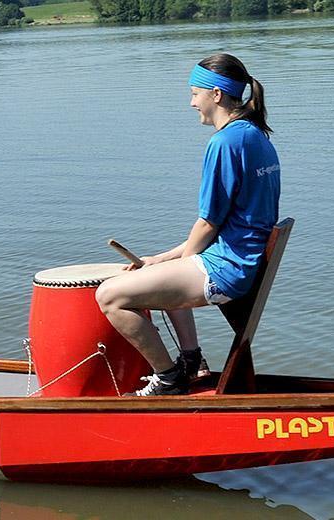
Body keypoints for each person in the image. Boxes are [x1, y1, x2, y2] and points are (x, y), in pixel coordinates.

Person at [95, 53, 280, 396]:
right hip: (241, 260)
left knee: (109, 296)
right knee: (153, 274)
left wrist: (177, 261)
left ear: (216, 95)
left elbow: (208, 224)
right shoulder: (255, 135)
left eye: (195, 93)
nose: (192, 102)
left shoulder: (224, 142)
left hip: (228, 269)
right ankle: (191, 358)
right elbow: (222, 224)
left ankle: (167, 378)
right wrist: (161, 260)